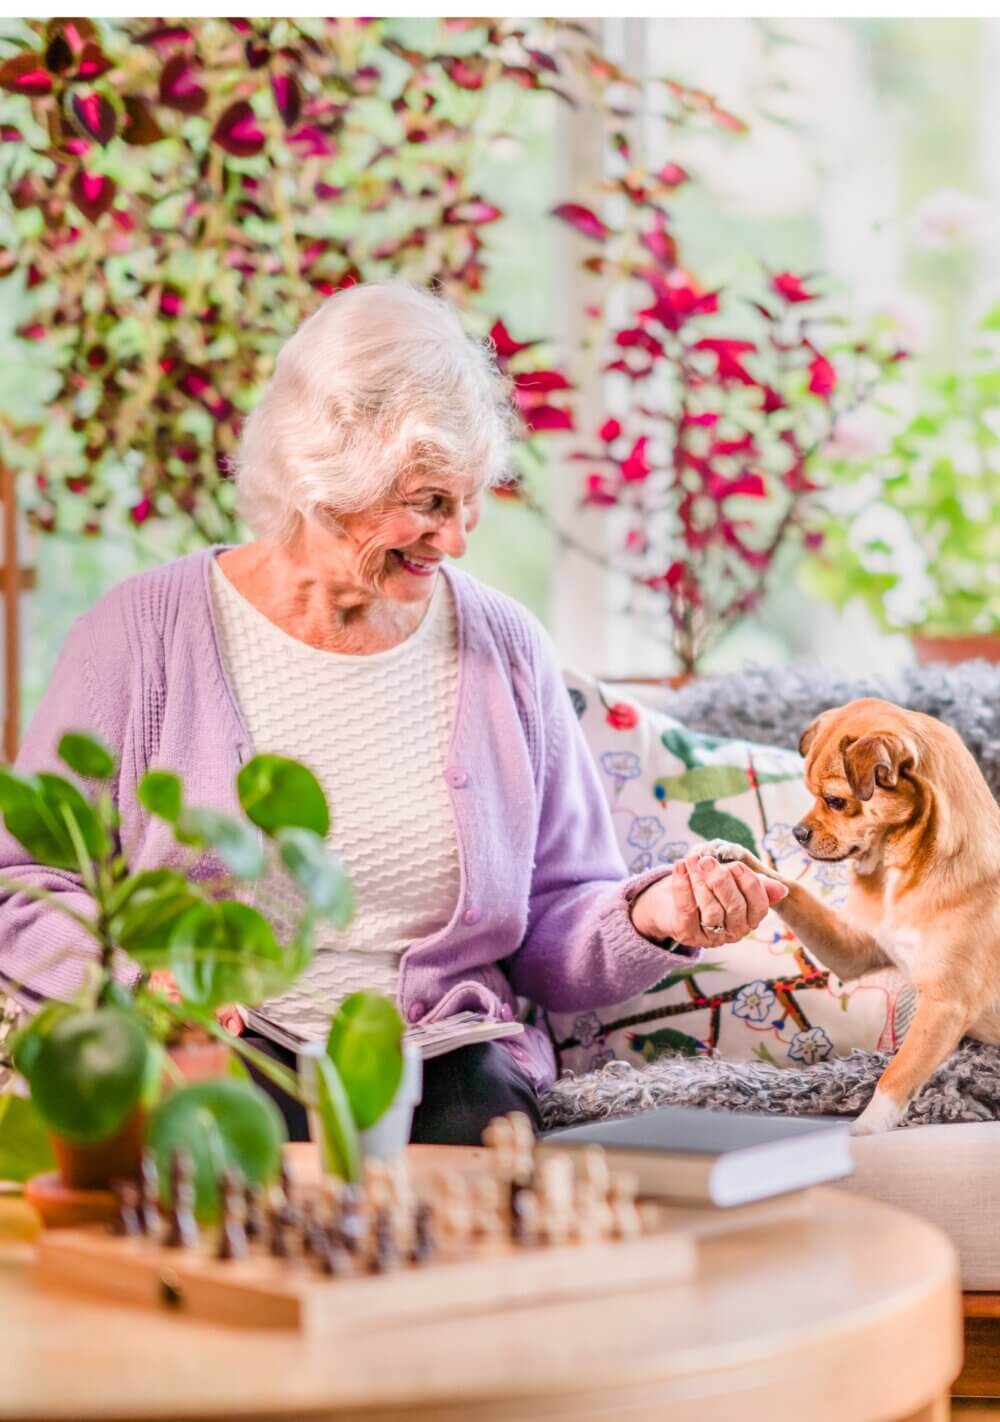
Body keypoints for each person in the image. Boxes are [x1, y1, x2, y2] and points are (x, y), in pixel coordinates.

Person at [0, 282, 786, 1144]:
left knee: (470, 1214)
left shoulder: (505, 647)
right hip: (209, 1050)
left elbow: (560, 916)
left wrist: (653, 916)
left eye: (469, 498)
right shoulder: (142, 635)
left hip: (445, 1059)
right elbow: (22, 886)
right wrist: (129, 983)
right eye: (426, 503)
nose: (456, 541)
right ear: (322, 481)